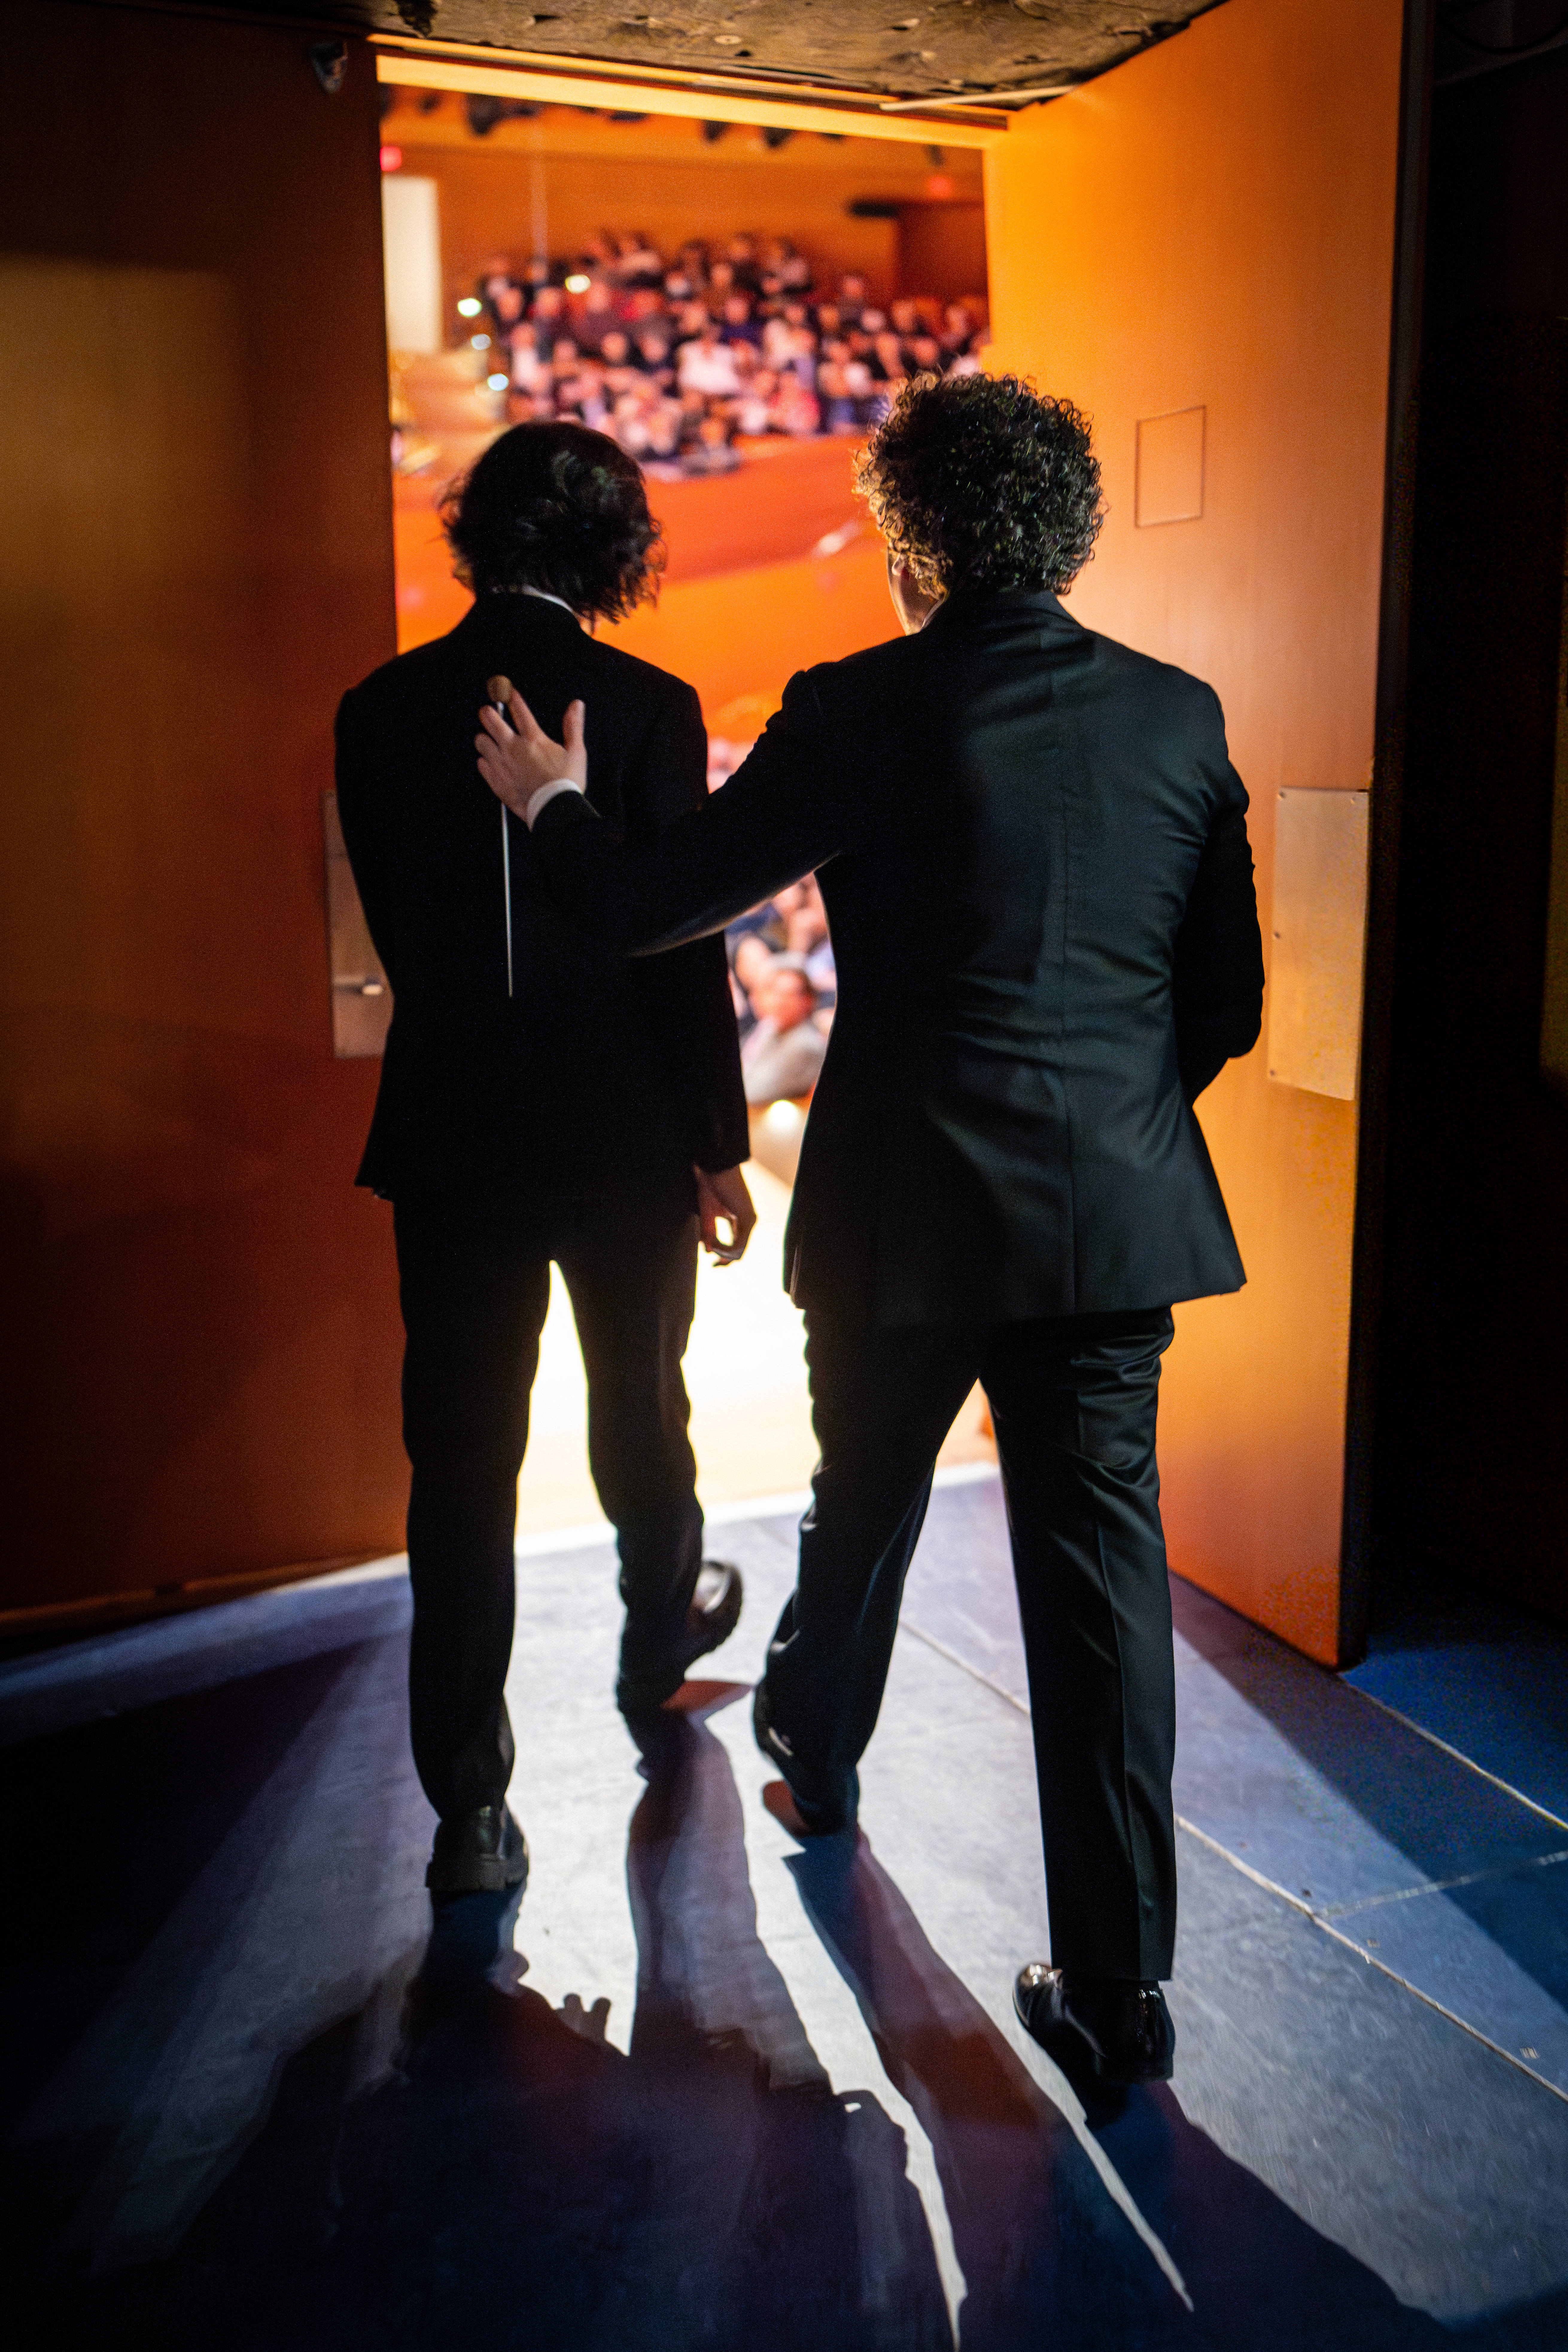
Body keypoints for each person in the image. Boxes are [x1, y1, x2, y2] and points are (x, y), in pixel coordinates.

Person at [474, 372, 1264, 2088]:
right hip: (1107, 1225)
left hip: (905, 1207)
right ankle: (1118, 1992)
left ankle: (813, 1749)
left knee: (864, 1501)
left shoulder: (856, 704)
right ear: (1070, 536)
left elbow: (653, 905)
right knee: (1104, 1594)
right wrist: (1099, 1128)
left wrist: (552, 797)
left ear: (911, 542)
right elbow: (1224, 1008)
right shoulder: (1178, 713)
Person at [334, 421, 757, 1902]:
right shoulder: (648, 704)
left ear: (476, 533)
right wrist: (718, 1145)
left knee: (459, 1462)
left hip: (452, 1129)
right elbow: (682, 951)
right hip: (623, 1133)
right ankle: (659, 1640)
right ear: (613, 548)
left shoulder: (379, 708)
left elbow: (397, 931)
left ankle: (470, 1810)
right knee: (642, 1403)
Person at [741, 957, 827, 1106]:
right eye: (774, 991)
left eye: (789, 994)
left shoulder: (805, 1046)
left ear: (808, 1001)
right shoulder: (770, 1029)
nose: (780, 1001)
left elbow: (754, 1094)